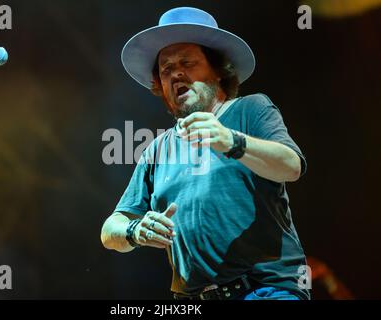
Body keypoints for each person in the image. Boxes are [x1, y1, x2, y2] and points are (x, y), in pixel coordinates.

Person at [101, 7, 310, 300]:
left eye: (187, 61)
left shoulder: (250, 109)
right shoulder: (156, 149)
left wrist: (231, 141)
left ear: (218, 70)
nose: (176, 73)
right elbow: (110, 230)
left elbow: (291, 166)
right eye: (166, 69)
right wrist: (135, 230)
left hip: (264, 290)